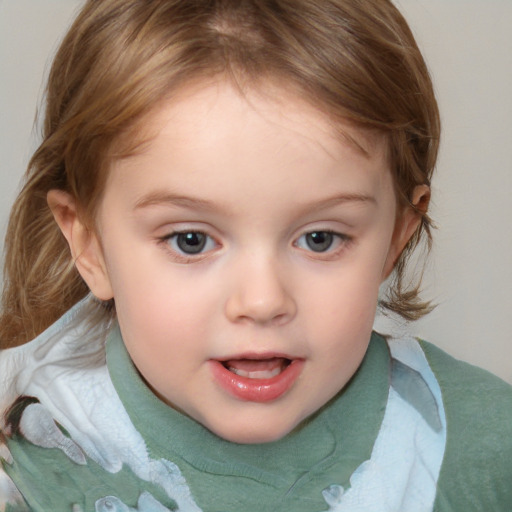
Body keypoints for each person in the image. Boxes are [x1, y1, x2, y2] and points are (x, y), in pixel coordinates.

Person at [0, 0, 511, 510]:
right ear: (89, 244)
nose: (262, 301)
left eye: (320, 239)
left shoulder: (486, 450)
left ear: (396, 236)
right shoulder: (25, 472)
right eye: (191, 240)